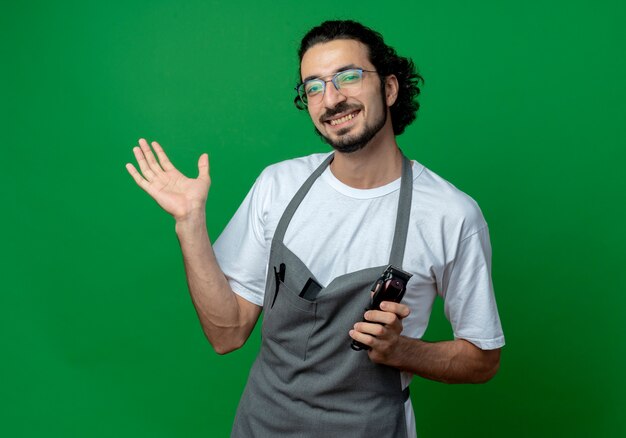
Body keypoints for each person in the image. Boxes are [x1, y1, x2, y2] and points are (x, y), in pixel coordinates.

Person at [126, 20, 504, 438]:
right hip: (260, 425)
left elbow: (483, 360)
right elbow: (227, 333)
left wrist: (403, 351)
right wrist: (190, 224)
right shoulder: (278, 186)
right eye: (314, 87)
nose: (332, 98)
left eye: (349, 76)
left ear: (391, 88)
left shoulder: (450, 215)